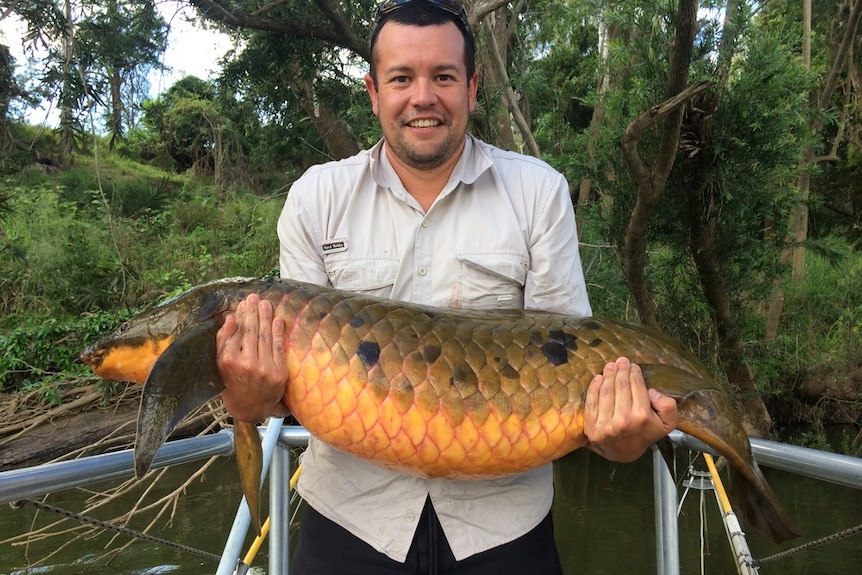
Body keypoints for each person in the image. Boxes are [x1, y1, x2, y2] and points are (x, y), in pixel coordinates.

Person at [215, 1, 678, 573]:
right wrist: (245, 398)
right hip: (350, 523)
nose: (423, 97)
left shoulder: (538, 193)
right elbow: (287, 384)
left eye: (443, 77)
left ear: (473, 87)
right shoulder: (316, 199)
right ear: (373, 91)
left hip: (504, 531)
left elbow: (578, 373)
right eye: (402, 78)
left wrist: (621, 437)